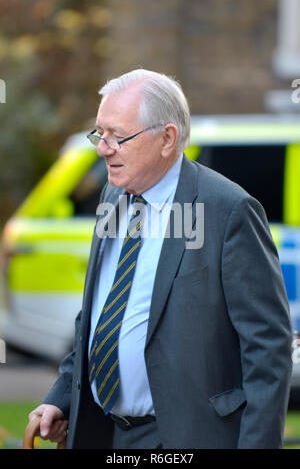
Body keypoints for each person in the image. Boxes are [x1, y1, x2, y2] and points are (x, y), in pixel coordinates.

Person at [29, 69, 293, 449]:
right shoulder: (113, 196)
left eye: (117, 136)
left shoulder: (227, 209)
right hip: (103, 434)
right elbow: (98, 317)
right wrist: (61, 398)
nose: (103, 148)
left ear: (167, 138)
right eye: (100, 134)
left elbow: (268, 348)